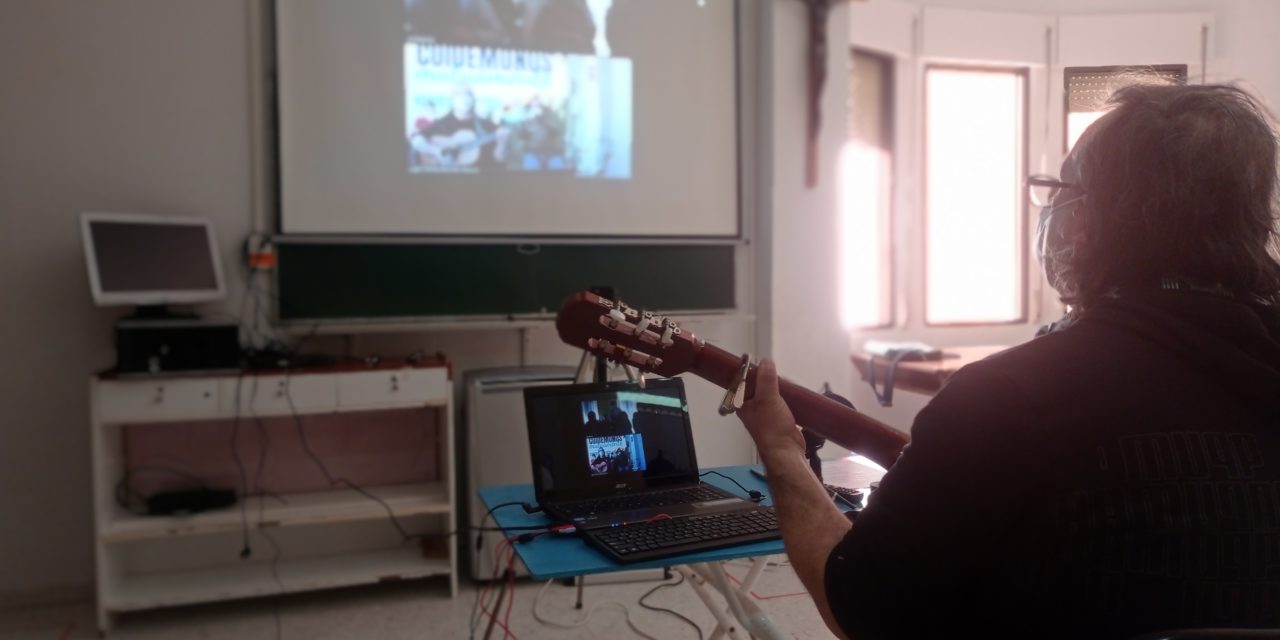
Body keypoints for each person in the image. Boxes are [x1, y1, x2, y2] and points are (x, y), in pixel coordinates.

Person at [738, 84, 1280, 637]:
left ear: (1086, 220)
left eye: (1062, 192)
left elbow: (862, 610)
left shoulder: (1008, 397)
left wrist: (782, 450)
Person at [415, 85, 509, 169]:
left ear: (474, 99)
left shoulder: (487, 126)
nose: (464, 98)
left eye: (468, 94)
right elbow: (416, 140)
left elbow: (499, 160)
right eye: (459, 94)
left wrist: (502, 144)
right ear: (452, 99)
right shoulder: (441, 123)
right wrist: (437, 151)